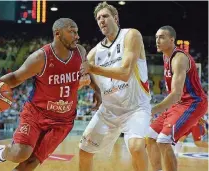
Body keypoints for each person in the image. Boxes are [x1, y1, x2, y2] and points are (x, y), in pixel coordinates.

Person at [0, 18, 101, 171]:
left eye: (77, 32)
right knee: (20, 153)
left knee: (30, 164)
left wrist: (97, 91)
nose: (77, 36)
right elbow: (16, 77)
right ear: (57, 33)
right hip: (36, 114)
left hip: (63, 121)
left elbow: (87, 70)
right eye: (72, 32)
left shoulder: (80, 52)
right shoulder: (41, 57)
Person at [79, 2, 151, 171]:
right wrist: (87, 84)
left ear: (116, 18)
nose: (101, 20)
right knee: (84, 151)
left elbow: (125, 72)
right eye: (98, 18)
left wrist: (92, 69)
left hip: (135, 109)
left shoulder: (131, 35)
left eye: (105, 16)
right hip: (109, 111)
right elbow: (83, 76)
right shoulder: (95, 53)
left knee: (136, 147)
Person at [146, 26, 208, 171]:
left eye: (161, 37)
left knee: (164, 140)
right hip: (180, 104)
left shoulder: (179, 58)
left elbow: (176, 94)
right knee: (149, 137)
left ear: (172, 40)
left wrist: (151, 110)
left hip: (193, 103)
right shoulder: (165, 56)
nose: (157, 40)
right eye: (156, 37)